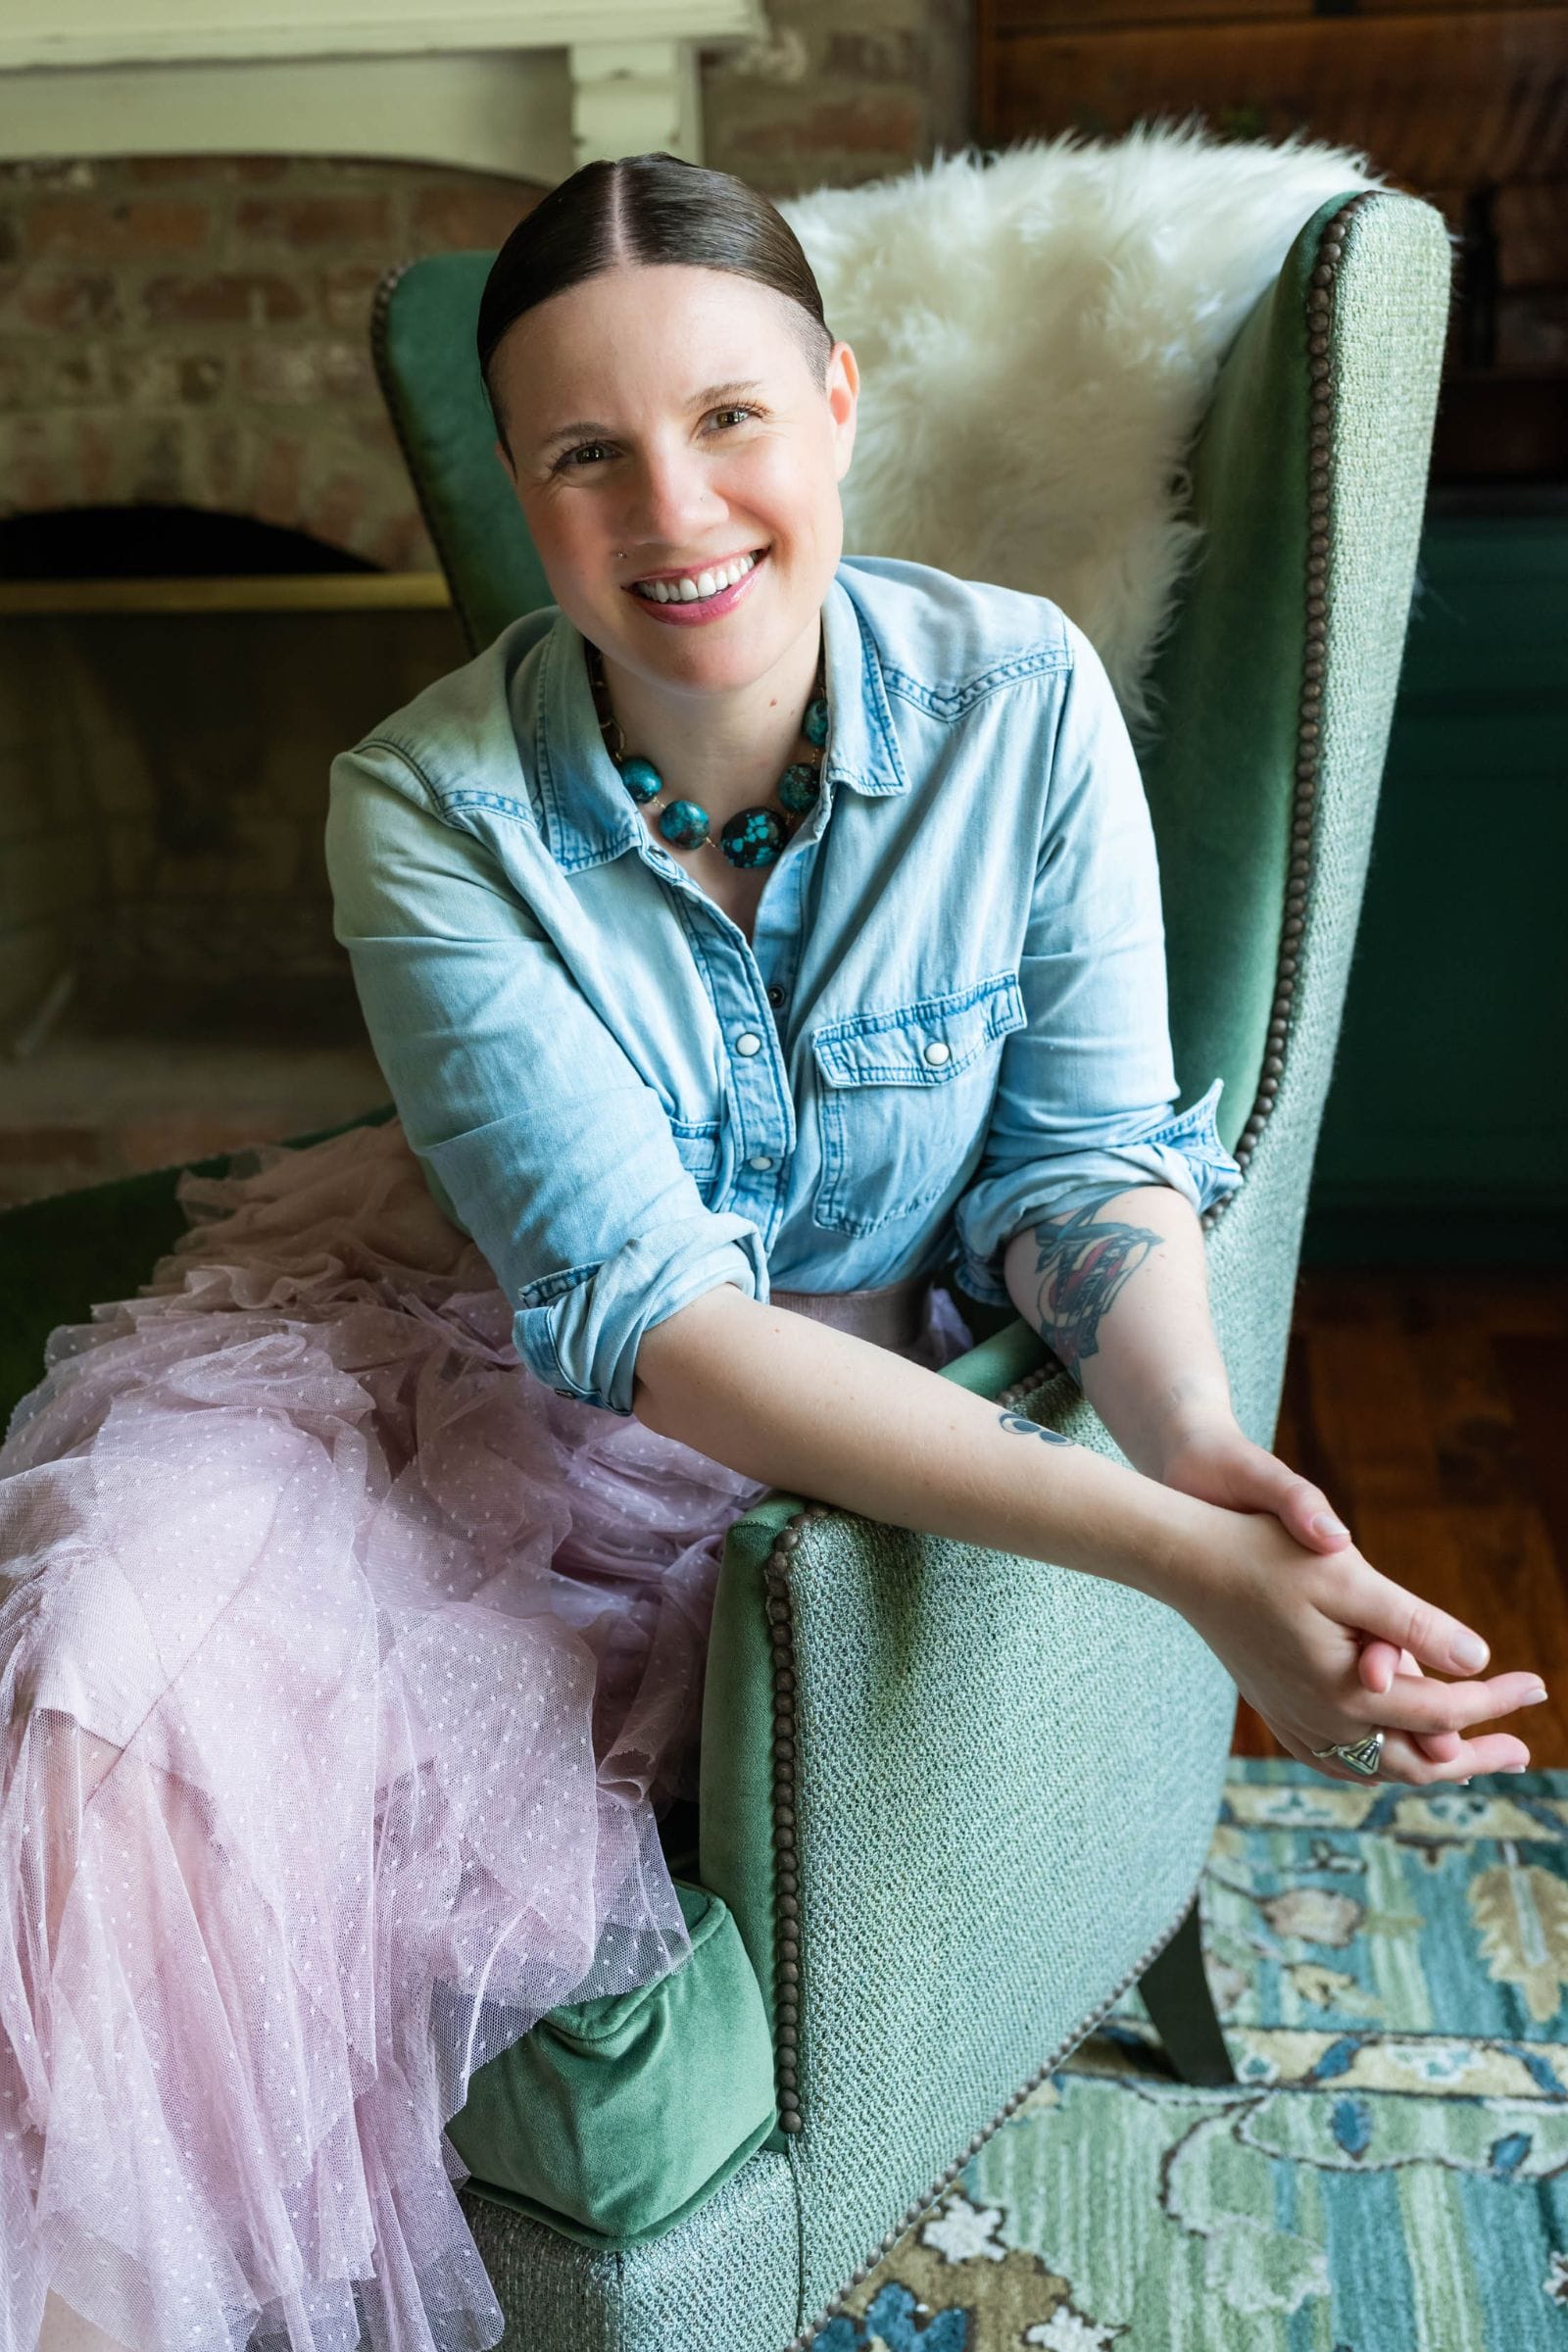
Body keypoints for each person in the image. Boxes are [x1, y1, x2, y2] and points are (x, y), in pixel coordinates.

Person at [0, 149, 1544, 2352]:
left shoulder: (1020, 701)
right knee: (114, 1668)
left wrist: (1199, 1453)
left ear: (834, 406)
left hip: (824, 1406)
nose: (673, 510)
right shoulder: (423, 804)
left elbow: (1082, 1168)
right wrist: (1182, 1568)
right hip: (483, 1373)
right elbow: (641, 1312)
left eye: (727, 416)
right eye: (585, 454)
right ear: (523, 490)